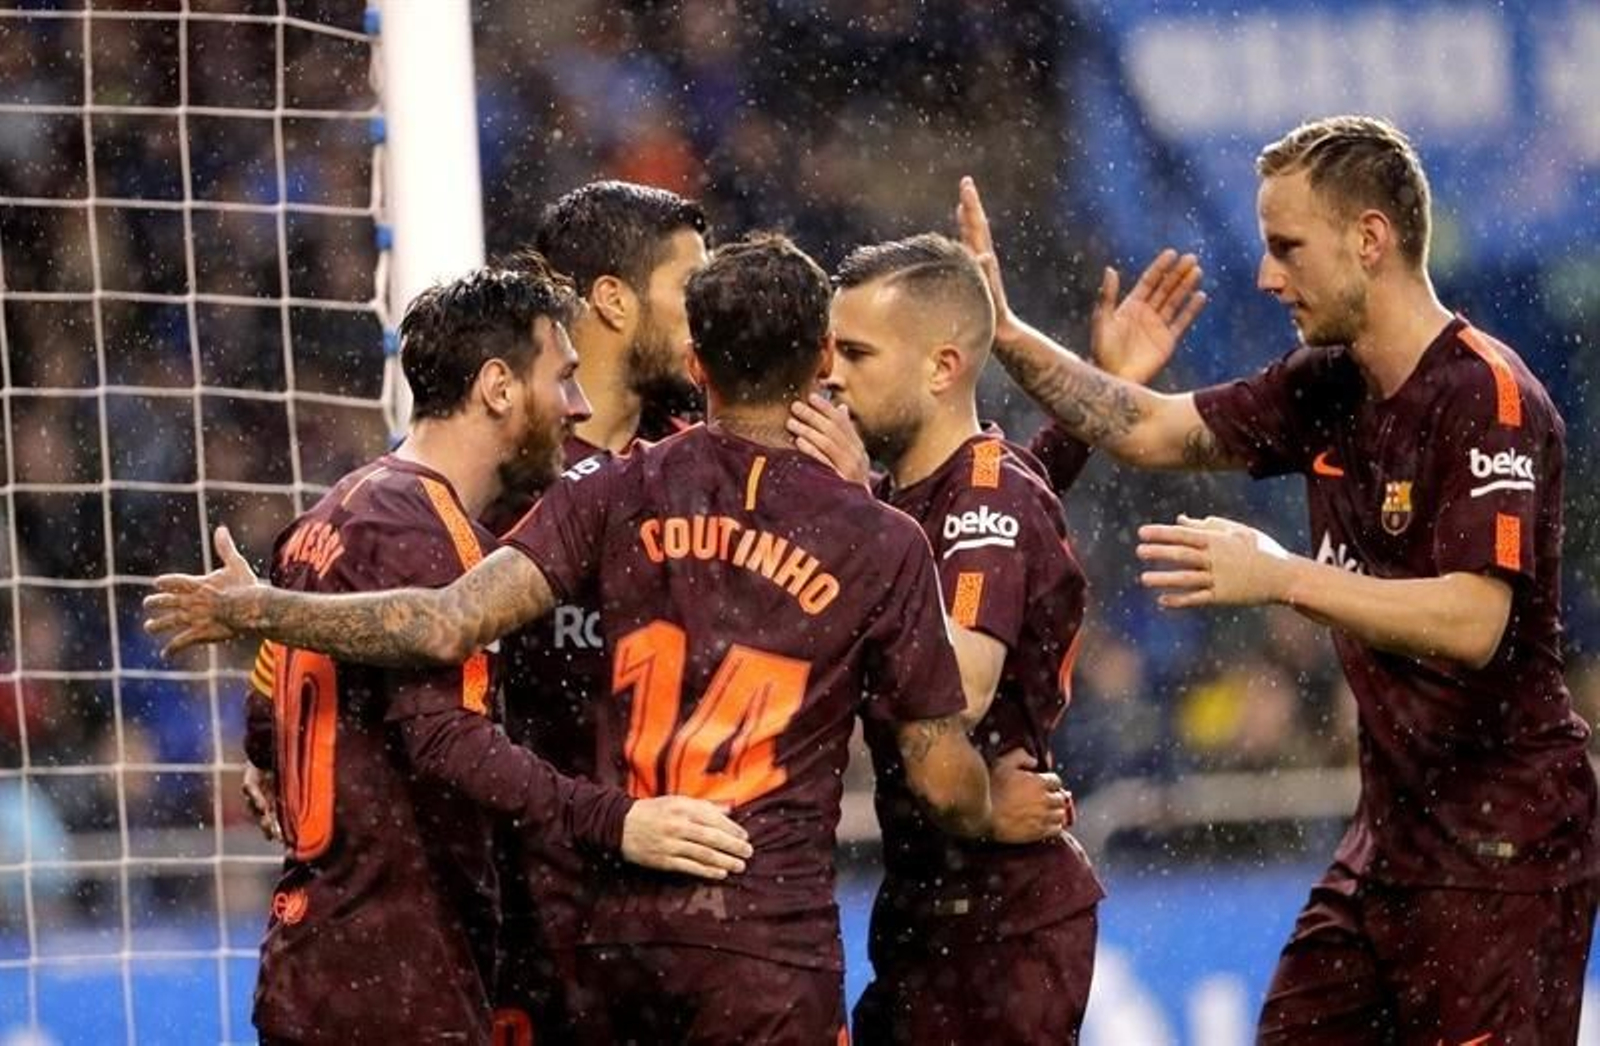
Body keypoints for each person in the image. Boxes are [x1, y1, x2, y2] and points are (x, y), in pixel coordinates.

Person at [146, 234, 1004, 1045]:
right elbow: (941, 773)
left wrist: (262, 621)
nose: (578, 404)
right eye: (560, 377)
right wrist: (997, 809)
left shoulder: (605, 489)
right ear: (820, 361)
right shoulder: (881, 538)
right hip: (755, 944)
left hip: (608, 947)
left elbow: (434, 626)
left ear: (696, 364)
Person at [959, 116, 1600, 1042]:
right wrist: (1008, 333)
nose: (1267, 275)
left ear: (1369, 239)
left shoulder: (1486, 398)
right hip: (1388, 840)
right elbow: (1151, 428)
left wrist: (1281, 577)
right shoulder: (1327, 383)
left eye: (1287, 247)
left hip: (1506, 851)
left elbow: (1473, 620)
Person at [214, 259, 752, 1046]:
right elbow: (446, 741)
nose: (578, 406)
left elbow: (270, 696)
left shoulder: (335, 511)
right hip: (394, 976)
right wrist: (617, 821)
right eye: (562, 378)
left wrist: (267, 759)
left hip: (316, 953)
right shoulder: (428, 533)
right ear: (499, 387)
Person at [788, 233, 1200, 1043]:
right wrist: (1105, 385)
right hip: (926, 903)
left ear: (942, 368)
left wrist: (856, 516)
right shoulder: (927, 492)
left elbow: (964, 682)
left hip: (1000, 916)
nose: (832, 376)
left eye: (858, 354)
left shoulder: (974, 498)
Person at [487, 180, 711, 1043]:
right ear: (612, 300)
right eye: (690, 290)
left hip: (688, 895)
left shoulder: (717, 454)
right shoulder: (504, 460)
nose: (711, 312)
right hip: (532, 899)